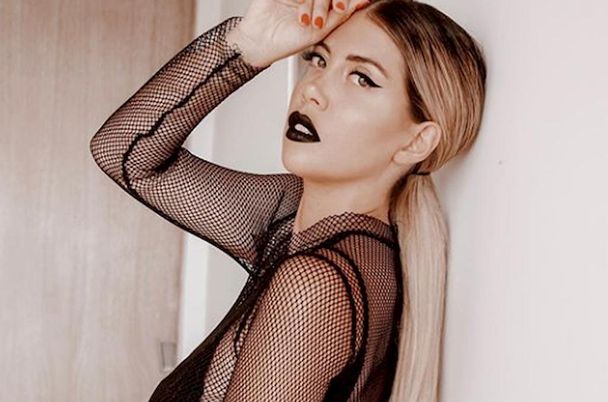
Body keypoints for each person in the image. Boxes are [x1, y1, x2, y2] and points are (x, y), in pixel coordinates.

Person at [88, 0, 486, 400]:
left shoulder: (316, 285)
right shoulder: (295, 217)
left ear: (417, 141)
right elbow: (126, 155)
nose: (313, 89)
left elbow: (128, 158)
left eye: (362, 79)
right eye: (319, 60)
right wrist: (250, 40)